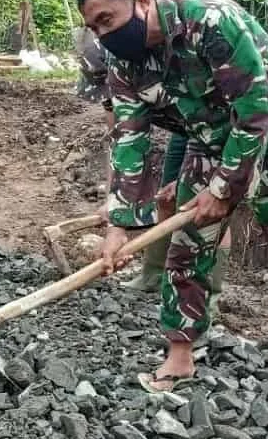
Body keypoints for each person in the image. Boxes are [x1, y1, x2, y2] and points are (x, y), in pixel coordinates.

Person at [79, 0, 268, 434]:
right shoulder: (124, 62)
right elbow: (128, 138)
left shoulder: (211, 21)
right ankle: (180, 356)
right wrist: (119, 225)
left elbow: (254, 111)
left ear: (142, 1)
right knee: (187, 247)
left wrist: (223, 190)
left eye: (108, 20)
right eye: (94, 27)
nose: (104, 35)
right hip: (212, 140)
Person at [75, 29, 230, 315]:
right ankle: (154, 276)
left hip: (212, 123)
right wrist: (115, 201)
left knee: (209, 207)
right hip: (183, 130)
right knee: (165, 198)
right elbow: (121, 140)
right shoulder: (110, 85)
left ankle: (211, 294)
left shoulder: (157, 58)